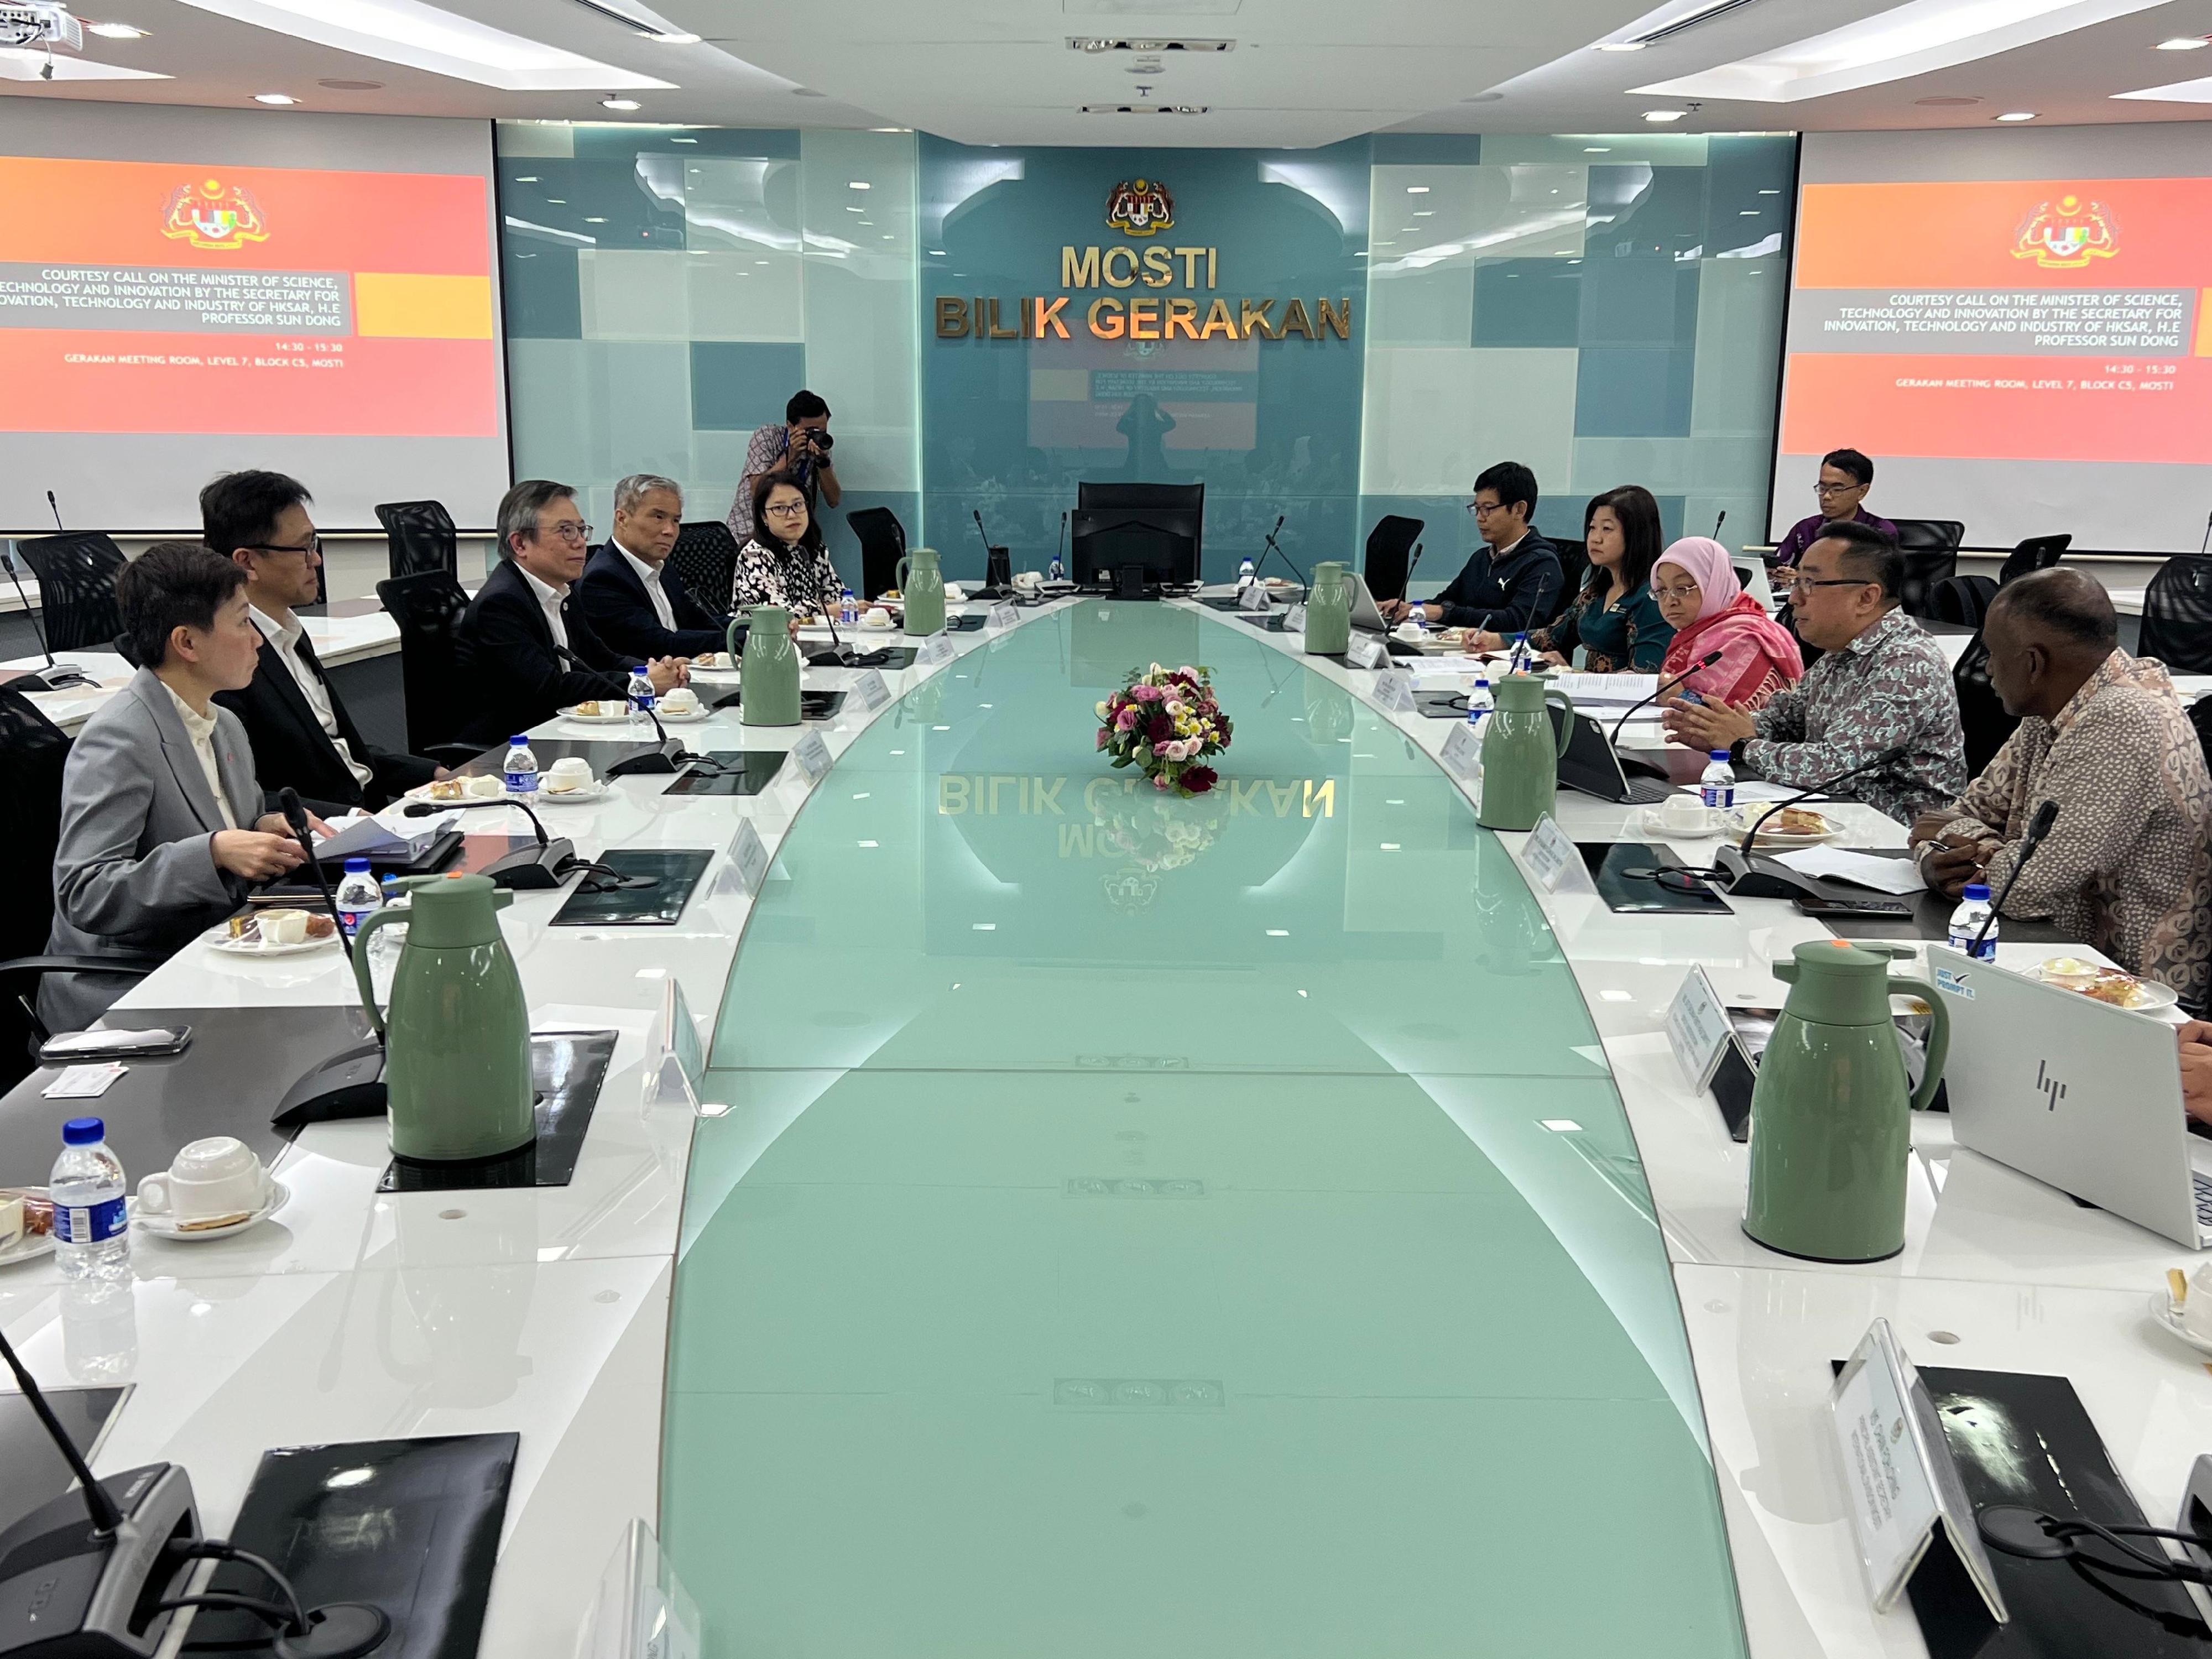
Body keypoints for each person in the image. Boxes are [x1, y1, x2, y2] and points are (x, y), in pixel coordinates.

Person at [43, 543, 324, 1032]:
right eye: (242, 622)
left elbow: (228, 818)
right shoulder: (120, 739)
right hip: (130, 982)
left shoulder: (224, 723)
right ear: (187, 643)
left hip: (215, 949)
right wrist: (213, 852)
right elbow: (84, 893)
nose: (257, 640)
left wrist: (262, 826)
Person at [1907, 569, 2212, 1002]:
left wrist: (1951, 843)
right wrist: (1937, 853)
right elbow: (1956, 816)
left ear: (2034, 664)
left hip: (2131, 997)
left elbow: (2026, 889)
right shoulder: (2052, 710)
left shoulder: (2122, 719)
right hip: (2051, 959)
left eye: (1993, 654)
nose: (1988, 669)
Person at [1663, 520, 1965, 825]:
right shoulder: (1842, 653)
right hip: (1832, 815)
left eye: (1809, 583)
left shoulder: (1908, 664)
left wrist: (1742, 745)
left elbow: (1835, 769)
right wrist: (1715, 727)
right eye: (1796, 583)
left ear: (1866, 598)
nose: (1794, 598)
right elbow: (1785, 720)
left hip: (1895, 834)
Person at [201, 469, 443, 814]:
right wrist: (349, 820)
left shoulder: (290, 632)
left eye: (314, 544)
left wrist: (433, 774)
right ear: (247, 562)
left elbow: (336, 752)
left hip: (369, 820)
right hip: (319, 843)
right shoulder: (227, 657)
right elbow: (241, 795)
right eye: (303, 548)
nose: (315, 560)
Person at [455, 481, 687, 748]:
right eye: (566, 532)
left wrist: (651, 670)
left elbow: (599, 657)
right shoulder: (500, 604)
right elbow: (550, 689)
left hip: (564, 736)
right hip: (511, 751)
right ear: (520, 543)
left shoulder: (563, 591)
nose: (580, 543)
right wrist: (642, 683)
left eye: (581, 530)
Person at [1476, 486, 1668, 671]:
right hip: (1587, 701)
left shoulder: (1652, 599)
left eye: (1607, 529)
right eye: (1593, 528)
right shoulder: (1595, 593)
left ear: (1637, 536)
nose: (1595, 538)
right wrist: (1495, 640)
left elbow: (1644, 678)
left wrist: (1572, 674)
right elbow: (1550, 637)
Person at [1380, 462, 1562, 635]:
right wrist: (1410, 608)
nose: (1480, 518)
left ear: (1519, 510)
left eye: (1488, 509)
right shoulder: (1481, 558)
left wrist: (1443, 612)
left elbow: (1518, 621)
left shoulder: (1542, 564)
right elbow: (1447, 601)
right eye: (1477, 508)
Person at [577, 473, 738, 660]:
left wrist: (755, 627)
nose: (669, 530)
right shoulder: (601, 580)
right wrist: (749, 640)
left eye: (676, 521)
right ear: (622, 519)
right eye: (658, 517)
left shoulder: (662, 567)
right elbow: (659, 644)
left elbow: (699, 621)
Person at [1649, 536, 1803, 710]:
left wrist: (1683, 698)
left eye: (1681, 588)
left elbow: (1747, 724)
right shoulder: (1693, 635)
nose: (1669, 601)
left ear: (1715, 584)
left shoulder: (1746, 639)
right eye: (1661, 590)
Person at [724, 389, 840, 545]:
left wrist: (823, 463)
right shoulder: (767, 437)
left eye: (823, 431)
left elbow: (834, 500)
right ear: (791, 426)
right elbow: (756, 490)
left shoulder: (820, 448)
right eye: (810, 431)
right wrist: (791, 456)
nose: (817, 436)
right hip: (749, 535)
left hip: (789, 537)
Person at [732, 474, 843, 618]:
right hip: (764, 638)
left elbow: (837, 597)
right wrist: (825, 611)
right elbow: (778, 615)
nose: (791, 515)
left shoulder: (814, 550)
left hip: (812, 636)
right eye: (779, 508)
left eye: (798, 505)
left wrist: (848, 606)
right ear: (764, 516)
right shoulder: (754, 556)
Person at [1772, 448, 1896, 566]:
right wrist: (1782, 577)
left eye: (1837, 489)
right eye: (1822, 488)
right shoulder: (1806, 529)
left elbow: (1878, 580)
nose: (1826, 496)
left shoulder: (1880, 532)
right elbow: (1774, 572)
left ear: (1862, 491)